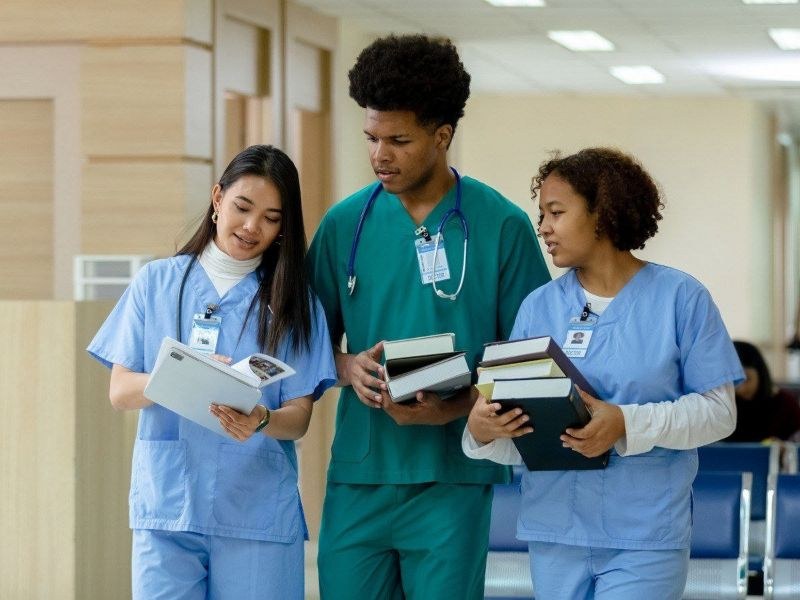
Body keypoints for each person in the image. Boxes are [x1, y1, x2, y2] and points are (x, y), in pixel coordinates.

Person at [307, 34, 551, 600]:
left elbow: (532, 364)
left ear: (442, 136)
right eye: (370, 138)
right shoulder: (345, 225)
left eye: (398, 140)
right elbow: (303, 339)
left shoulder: (502, 227)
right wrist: (345, 367)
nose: (379, 156)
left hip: (453, 480)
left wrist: (452, 408)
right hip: (361, 472)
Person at [463, 147, 743, 600]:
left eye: (556, 212)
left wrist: (625, 423)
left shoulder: (682, 299)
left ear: (603, 214)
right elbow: (524, 432)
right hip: (555, 530)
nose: (544, 228)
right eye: (542, 214)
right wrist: (482, 432)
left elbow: (718, 413)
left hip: (644, 534)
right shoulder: (538, 307)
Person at [87, 145, 336, 599]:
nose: (251, 226)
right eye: (243, 207)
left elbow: (300, 414)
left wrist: (261, 419)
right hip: (168, 506)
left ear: (283, 228)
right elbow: (121, 390)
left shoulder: (295, 301)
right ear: (217, 198)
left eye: (271, 217)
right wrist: (182, 375)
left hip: (255, 510)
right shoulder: (157, 283)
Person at [728, 340, 800, 442]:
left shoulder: (785, 403)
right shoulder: (722, 406)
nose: (741, 387)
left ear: (760, 372)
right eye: (734, 382)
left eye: (746, 379)